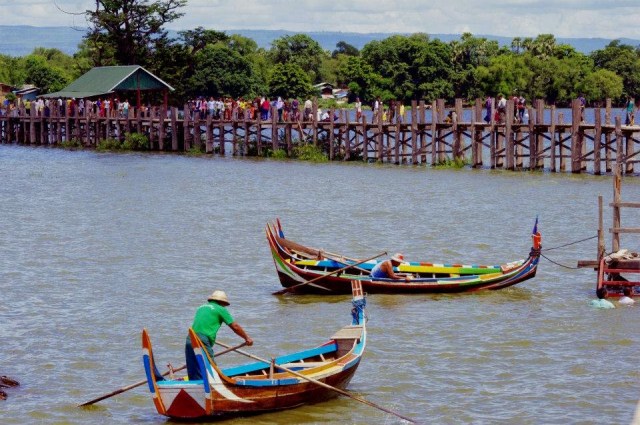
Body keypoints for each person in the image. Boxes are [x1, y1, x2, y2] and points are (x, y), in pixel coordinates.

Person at [185, 290, 253, 380]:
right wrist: (247, 338)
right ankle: (215, 384)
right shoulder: (220, 309)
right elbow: (235, 327)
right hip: (201, 340)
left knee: (194, 368)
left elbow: (202, 325)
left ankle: (194, 385)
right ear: (222, 302)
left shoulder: (201, 307)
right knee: (211, 368)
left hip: (190, 338)